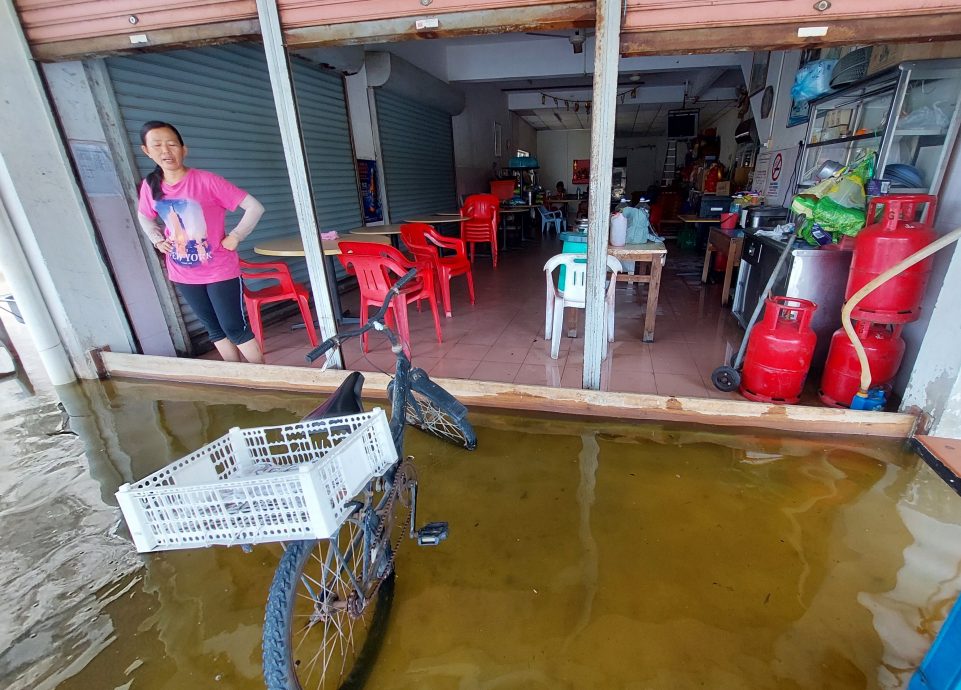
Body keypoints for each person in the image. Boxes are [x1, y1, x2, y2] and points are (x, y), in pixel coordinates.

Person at [136, 121, 266, 364]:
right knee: (214, 329)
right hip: (181, 272)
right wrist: (156, 239)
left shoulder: (207, 180)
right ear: (147, 151)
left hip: (219, 269)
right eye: (157, 145)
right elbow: (144, 215)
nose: (166, 151)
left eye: (172, 144)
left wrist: (236, 236)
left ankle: (264, 377)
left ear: (184, 149)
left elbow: (254, 207)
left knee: (234, 327)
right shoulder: (150, 186)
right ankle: (236, 377)